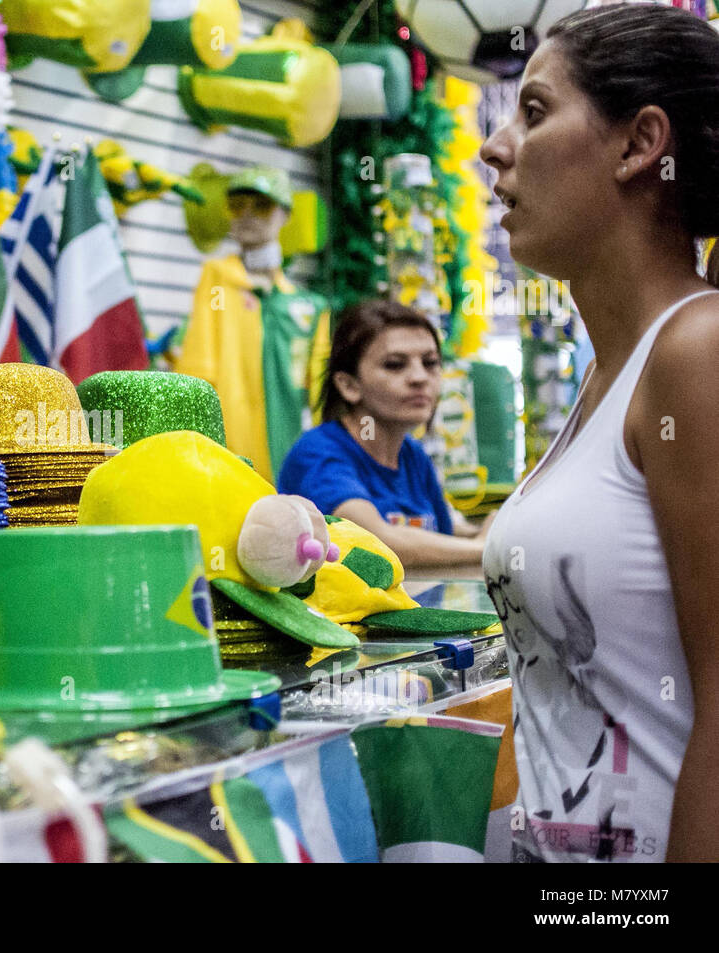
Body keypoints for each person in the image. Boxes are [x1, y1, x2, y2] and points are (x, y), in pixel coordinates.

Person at [479, 4, 719, 862]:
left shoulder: (697, 351)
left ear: (637, 144)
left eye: (534, 111)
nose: (495, 146)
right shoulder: (606, 377)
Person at [278, 299, 493, 567]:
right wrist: (485, 548)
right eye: (394, 364)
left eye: (430, 363)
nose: (419, 377)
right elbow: (376, 541)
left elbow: (442, 533)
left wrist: (493, 528)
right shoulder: (318, 452)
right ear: (348, 385)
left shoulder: (412, 455)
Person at [174, 166, 329, 481]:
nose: (246, 215)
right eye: (236, 205)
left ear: (285, 214)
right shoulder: (217, 280)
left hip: (293, 449)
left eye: (261, 206)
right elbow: (198, 365)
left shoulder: (310, 308)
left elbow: (319, 391)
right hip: (231, 448)